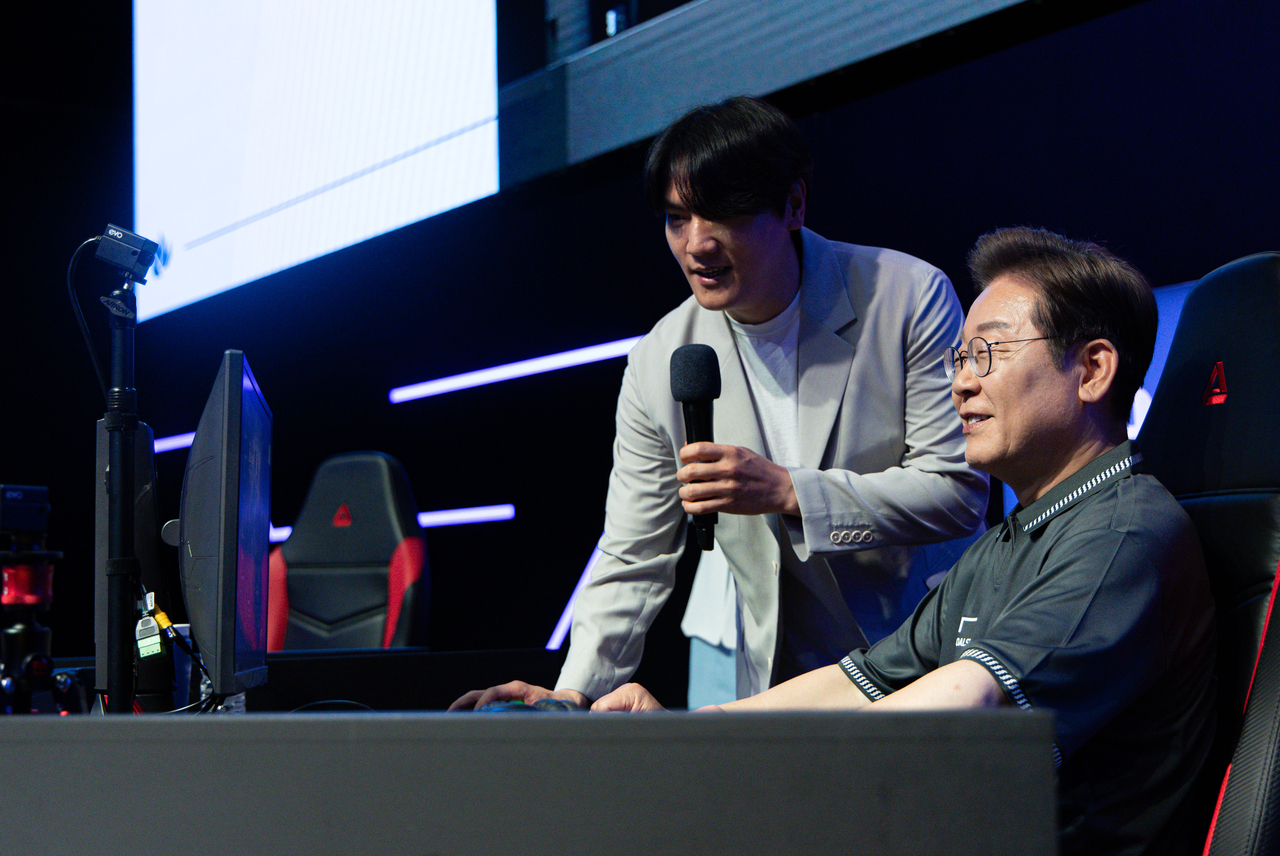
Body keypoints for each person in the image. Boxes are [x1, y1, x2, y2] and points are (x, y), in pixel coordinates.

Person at [594, 227, 1219, 856]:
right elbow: (863, 679)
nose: (962, 384)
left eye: (989, 353)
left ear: (1092, 370)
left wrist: (759, 776)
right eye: (960, 358)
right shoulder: (1014, 538)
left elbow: (970, 700)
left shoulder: (1123, 534)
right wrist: (688, 737)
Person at [451, 96, 987, 711]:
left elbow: (956, 493)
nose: (696, 245)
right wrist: (571, 695)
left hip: (932, 655)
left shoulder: (907, 294)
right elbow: (634, 552)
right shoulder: (660, 359)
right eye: (677, 220)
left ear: (792, 204)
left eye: (721, 214)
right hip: (783, 681)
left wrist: (788, 490)